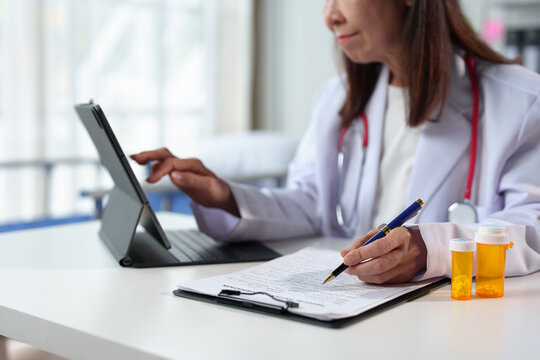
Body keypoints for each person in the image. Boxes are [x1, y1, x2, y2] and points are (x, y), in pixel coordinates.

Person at [131, 0, 540, 284]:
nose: (329, 17)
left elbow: (532, 228)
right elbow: (312, 202)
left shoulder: (519, 100)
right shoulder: (337, 98)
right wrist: (225, 196)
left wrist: (427, 249)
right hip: (344, 313)